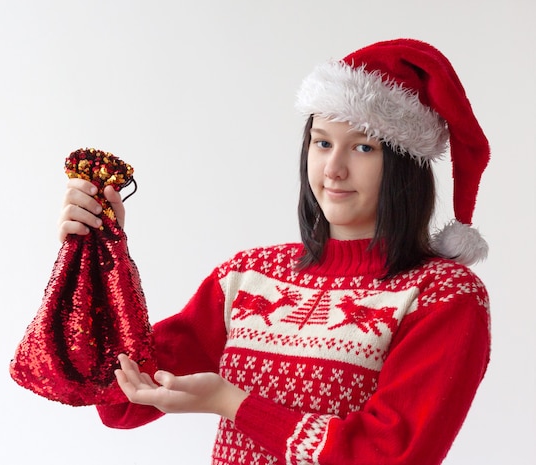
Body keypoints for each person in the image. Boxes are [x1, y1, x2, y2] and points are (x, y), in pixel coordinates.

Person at [58, 38, 491, 465]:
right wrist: (97, 253)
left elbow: (390, 454)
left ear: (404, 164)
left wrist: (233, 403)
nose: (333, 169)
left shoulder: (442, 295)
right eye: (322, 143)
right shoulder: (248, 276)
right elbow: (121, 400)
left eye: (363, 147)